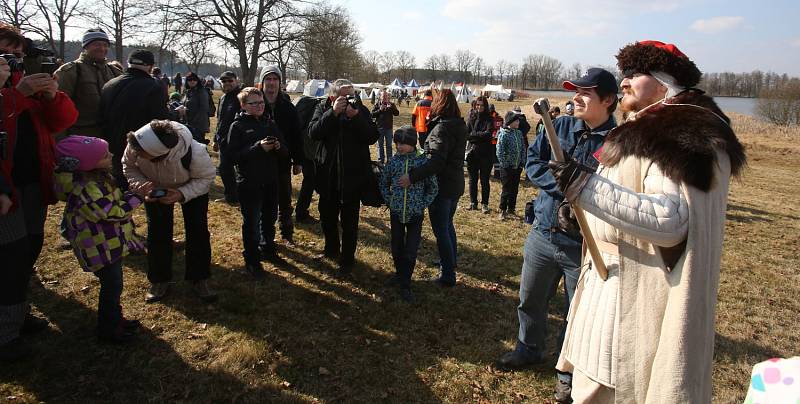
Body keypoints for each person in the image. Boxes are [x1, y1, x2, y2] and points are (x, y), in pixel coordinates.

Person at [550, 41, 746, 403]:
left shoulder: (678, 134)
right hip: (606, 281)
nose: (623, 83)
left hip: (629, 294)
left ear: (664, 83)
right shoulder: (649, 126)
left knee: (608, 390)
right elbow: (629, 197)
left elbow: (669, 218)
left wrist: (585, 187)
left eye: (634, 75)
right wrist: (586, 216)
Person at [496, 68, 619, 403]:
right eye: (574, 91)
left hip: (584, 246)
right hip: (543, 231)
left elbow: (614, 192)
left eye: (585, 93)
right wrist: (563, 189)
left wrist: (582, 191)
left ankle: (568, 372)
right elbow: (535, 162)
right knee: (530, 299)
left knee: (576, 313)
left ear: (608, 100)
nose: (576, 97)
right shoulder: (561, 125)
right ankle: (528, 348)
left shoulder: (618, 143)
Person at [0, 22, 78, 361]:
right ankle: (6, 332)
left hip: (32, 181)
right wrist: (16, 94)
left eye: (18, 55)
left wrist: (50, 94)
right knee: (10, 256)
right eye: (5, 54)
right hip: (5, 188)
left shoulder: (21, 85)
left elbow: (62, 121)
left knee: (29, 249)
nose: (14, 61)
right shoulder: (13, 91)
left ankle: (17, 311)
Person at [53, 136, 143, 343]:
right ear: (88, 164)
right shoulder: (86, 189)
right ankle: (109, 328)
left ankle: (115, 319)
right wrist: (137, 197)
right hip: (99, 247)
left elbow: (113, 201)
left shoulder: (97, 179)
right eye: (104, 155)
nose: (111, 155)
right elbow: (112, 213)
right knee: (112, 286)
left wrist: (129, 195)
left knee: (114, 285)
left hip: (108, 242)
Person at [122, 120, 216, 303]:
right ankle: (159, 279)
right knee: (158, 233)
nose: (137, 154)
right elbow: (129, 166)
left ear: (160, 154)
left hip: (192, 187)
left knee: (198, 231)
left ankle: (199, 278)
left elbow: (206, 178)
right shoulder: (136, 143)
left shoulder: (194, 151)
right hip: (155, 190)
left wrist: (181, 193)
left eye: (143, 154)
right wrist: (143, 186)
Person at [308, 79, 379, 272]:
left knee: (350, 222)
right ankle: (331, 249)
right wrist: (333, 113)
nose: (350, 99)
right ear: (333, 97)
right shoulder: (323, 108)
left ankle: (347, 259)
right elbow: (313, 133)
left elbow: (372, 136)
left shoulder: (360, 110)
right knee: (327, 217)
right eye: (345, 96)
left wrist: (355, 117)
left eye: (352, 95)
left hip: (353, 177)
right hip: (328, 175)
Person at [398, 89, 467, 287]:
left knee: (441, 229)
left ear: (440, 104)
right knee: (447, 225)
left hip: (443, 186)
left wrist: (412, 176)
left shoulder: (443, 129)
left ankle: (447, 274)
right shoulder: (457, 125)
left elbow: (436, 161)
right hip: (454, 183)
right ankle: (450, 261)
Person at [226, 87, 288, 278]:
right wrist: (257, 148)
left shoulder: (269, 123)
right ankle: (252, 260)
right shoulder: (237, 126)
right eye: (254, 103)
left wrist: (278, 147)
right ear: (244, 106)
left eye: (261, 102)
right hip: (249, 182)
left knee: (269, 219)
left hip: (270, 180)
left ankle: (268, 248)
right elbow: (231, 157)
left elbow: (285, 152)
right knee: (251, 222)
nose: (260, 106)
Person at [380, 126, 438, 302]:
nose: (399, 147)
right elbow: (383, 182)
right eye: (397, 143)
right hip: (397, 212)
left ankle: (405, 283)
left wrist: (422, 204)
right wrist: (390, 200)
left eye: (403, 143)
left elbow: (433, 187)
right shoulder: (393, 162)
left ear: (413, 143)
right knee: (396, 246)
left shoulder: (422, 163)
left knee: (410, 250)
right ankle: (399, 274)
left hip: (415, 213)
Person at [98, 50, 169, 190]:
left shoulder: (109, 84)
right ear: (151, 66)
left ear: (128, 63)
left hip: (110, 146)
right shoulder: (155, 86)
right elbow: (159, 120)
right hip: (140, 147)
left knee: (114, 187)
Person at [260, 66, 303, 246]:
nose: (271, 83)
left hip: (283, 161)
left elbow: (296, 135)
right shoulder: (255, 103)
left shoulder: (288, 107)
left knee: (284, 200)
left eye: (274, 79)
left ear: (280, 83)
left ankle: (287, 234)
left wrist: (298, 161)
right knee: (263, 202)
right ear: (262, 82)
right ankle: (265, 237)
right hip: (260, 161)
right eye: (268, 79)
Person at [54, 28, 122, 138]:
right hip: (81, 139)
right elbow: (57, 110)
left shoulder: (115, 72)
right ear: (86, 46)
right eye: (97, 44)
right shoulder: (70, 71)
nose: (102, 48)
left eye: (105, 45)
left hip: (110, 138)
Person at [212, 71, 243, 205]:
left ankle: (236, 196)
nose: (227, 84)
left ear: (236, 80)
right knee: (225, 169)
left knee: (234, 169)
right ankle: (232, 196)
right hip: (222, 140)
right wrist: (215, 139)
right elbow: (220, 120)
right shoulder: (223, 98)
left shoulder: (241, 97)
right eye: (224, 81)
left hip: (236, 141)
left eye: (230, 81)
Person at [465, 96, 494, 213]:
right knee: (472, 179)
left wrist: (474, 135)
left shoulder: (489, 118)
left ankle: (485, 204)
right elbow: (466, 134)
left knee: (484, 180)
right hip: (472, 153)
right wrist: (478, 136)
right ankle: (473, 202)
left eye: (482, 105)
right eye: (477, 105)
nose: (479, 107)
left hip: (486, 154)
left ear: (485, 106)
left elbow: (488, 134)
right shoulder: (471, 118)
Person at [495, 111, 526, 220]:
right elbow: (499, 151)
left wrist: (522, 162)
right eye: (516, 121)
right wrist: (505, 164)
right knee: (506, 189)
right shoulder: (503, 134)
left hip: (517, 167)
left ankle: (511, 209)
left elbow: (523, 148)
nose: (518, 122)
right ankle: (502, 210)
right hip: (507, 168)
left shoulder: (519, 133)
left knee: (514, 189)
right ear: (510, 122)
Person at [371, 90, 399, 164]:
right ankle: (381, 160)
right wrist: (380, 110)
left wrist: (392, 108)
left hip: (389, 128)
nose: (385, 98)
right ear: (380, 97)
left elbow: (397, 114)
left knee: (389, 145)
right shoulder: (377, 104)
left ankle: (389, 160)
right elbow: (372, 114)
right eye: (383, 96)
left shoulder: (392, 104)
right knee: (380, 145)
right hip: (379, 128)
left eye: (386, 96)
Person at [182, 72, 210, 143]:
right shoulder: (188, 91)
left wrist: (193, 123)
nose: (192, 81)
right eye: (189, 79)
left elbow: (204, 109)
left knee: (197, 147)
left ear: (197, 80)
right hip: (189, 123)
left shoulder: (202, 91)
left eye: (194, 79)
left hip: (198, 126)